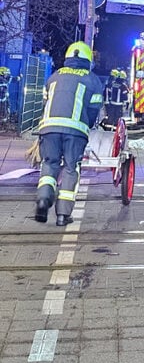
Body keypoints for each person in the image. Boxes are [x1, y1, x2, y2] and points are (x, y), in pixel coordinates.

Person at [35, 42, 104, 226]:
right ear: (88, 60)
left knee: (49, 165)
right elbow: (93, 109)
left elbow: (45, 102)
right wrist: (86, 127)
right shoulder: (92, 80)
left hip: (49, 128)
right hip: (75, 131)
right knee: (71, 168)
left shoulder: (54, 77)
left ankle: (43, 200)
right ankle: (63, 215)